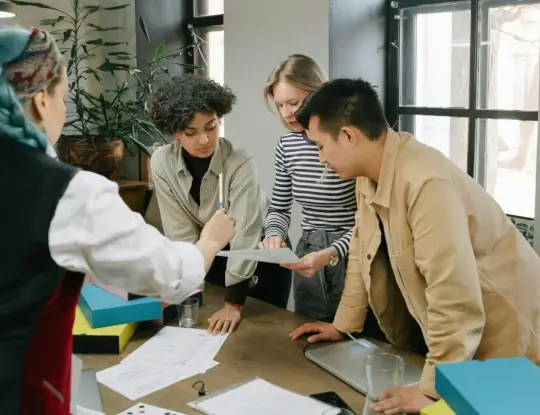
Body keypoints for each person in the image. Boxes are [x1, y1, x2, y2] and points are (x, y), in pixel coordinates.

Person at [0, 27, 236, 415]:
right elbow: (170, 275)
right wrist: (209, 243)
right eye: (63, 99)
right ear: (42, 100)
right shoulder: (65, 193)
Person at [289, 77, 540, 414]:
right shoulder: (368, 175)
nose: (320, 159)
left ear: (348, 135)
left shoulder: (424, 181)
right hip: (467, 342)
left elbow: (453, 296)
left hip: (510, 339)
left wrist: (434, 389)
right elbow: (363, 252)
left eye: (320, 146)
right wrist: (342, 324)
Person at [149, 75, 292, 335]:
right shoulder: (161, 163)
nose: (204, 139)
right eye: (191, 132)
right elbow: (179, 232)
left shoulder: (240, 163)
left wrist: (233, 304)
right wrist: (189, 286)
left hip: (257, 255)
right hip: (212, 253)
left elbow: (246, 236)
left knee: (261, 337)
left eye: (211, 127)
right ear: (175, 132)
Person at [260, 54, 358, 323]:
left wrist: (333, 251)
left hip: (354, 252)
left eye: (294, 102)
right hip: (308, 256)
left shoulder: (350, 138)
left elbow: (372, 221)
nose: (286, 113)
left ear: (319, 92)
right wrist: (273, 235)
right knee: (307, 336)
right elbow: (279, 208)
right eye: (279, 105)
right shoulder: (287, 146)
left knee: (359, 341)